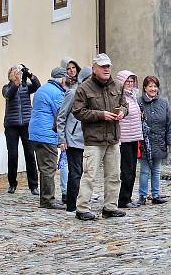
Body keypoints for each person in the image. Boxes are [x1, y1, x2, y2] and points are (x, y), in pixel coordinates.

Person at [72, 54, 128, 220]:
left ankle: (110, 207)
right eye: (103, 66)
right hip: (94, 139)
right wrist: (100, 115)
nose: (106, 69)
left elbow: (125, 105)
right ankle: (82, 209)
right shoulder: (84, 88)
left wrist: (122, 113)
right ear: (94, 68)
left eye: (108, 66)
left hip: (113, 138)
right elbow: (78, 112)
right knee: (89, 175)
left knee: (114, 175)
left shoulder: (118, 85)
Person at [28, 67, 67, 209]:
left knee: (44, 168)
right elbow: (61, 113)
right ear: (62, 79)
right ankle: (47, 200)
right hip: (47, 134)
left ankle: (46, 198)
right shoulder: (57, 93)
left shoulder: (43, 89)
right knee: (48, 168)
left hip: (36, 133)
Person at [2, 63, 41, 195]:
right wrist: (16, 83)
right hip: (11, 125)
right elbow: (9, 95)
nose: (18, 73)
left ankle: (34, 185)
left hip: (26, 124)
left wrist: (30, 74)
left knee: (30, 154)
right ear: (10, 75)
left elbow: (37, 87)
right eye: (15, 71)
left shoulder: (26, 87)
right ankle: (12, 183)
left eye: (19, 71)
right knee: (13, 155)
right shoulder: (6, 87)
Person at [57, 65, 91, 212]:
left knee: (86, 173)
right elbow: (61, 116)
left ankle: (82, 201)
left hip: (88, 139)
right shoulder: (72, 93)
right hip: (73, 138)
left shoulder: (93, 95)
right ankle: (72, 205)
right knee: (75, 172)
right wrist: (62, 139)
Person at [138, 75, 171, 204]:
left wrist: (169, 140)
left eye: (155, 86)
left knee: (157, 170)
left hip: (159, 140)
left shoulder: (163, 102)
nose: (153, 89)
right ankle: (142, 195)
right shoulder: (139, 102)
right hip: (144, 141)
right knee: (144, 171)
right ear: (145, 88)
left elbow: (169, 122)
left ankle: (156, 194)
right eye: (150, 86)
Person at [116, 70, 144, 208]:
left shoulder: (133, 97)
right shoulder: (119, 97)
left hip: (134, 137)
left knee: (132, 170)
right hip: (124, 139)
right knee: (126, 171)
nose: (130, 84)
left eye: (132, 81)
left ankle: (128, 197)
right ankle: (123, 199)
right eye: (127, 81)